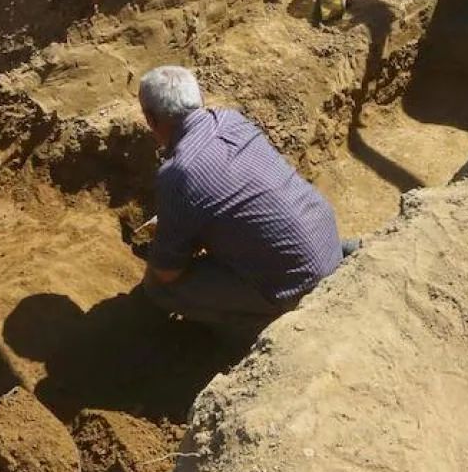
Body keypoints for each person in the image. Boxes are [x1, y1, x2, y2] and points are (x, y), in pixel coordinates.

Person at [136, 66, 347, 337]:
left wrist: (171, 240)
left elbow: (168, 273)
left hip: (299, 284)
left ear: (151, 119)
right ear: (198, 99)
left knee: (156, 287)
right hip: (326, 241)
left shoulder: (177, 175)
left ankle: (257, 330)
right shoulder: (231, 120)